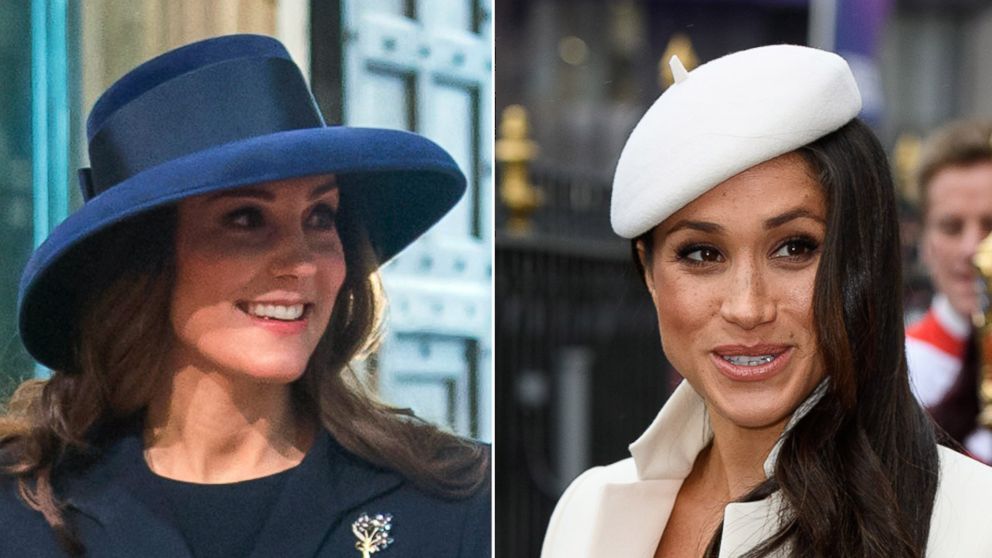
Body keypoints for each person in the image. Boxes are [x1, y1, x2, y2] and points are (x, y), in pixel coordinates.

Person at [0, 34, 489, 557]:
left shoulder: (462, 503)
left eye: (320, 216)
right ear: (146, 262)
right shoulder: (21, 512)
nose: (301, 261)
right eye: (245, 218)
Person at [540, 45, 992, 558]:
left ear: (858, 258)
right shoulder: (587, 512)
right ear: (648, 270)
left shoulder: (977, 523)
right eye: (702, 253)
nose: (748, 307)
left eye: (795, 248)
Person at [905, 120, 992, 462]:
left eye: (990, 225)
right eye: (951, 227)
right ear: (924, 242)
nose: (972, 248)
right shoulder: (891, 370)